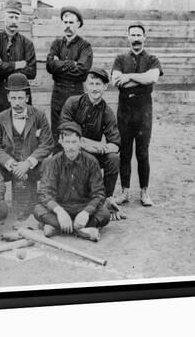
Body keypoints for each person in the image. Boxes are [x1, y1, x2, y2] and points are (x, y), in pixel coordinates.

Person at [59, 67, 125, 220]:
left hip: (92, 155)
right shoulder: (73, 103)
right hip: (70, 151)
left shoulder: (107, 112)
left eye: (98, 84)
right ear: (86, 85)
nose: (94, 88)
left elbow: (115, 144)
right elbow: (65, 133)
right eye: (91, 84)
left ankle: (107, 198)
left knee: (113, 158)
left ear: (105, 87)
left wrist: (96, 148)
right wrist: (88, 143)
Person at [0, 73, 54, 216]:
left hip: (32, 165)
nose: (17, 103)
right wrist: (11, 163)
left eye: (21, 98)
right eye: (13, 98)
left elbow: (47, 144)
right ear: (8, 98)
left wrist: (28, 163)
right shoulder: (0, 118)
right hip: (9, 167)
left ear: (27, 98)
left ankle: (46, 205)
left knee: (51, 164)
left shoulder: (39, 115)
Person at [111, 22, 163, 207]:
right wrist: (141, 80)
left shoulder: (152, 59)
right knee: (124, 151)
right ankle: (124, 192)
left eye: (138, 35)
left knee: (142, 152)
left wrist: (129, 77)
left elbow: (153, 77)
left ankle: (144, 192)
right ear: (128, 38)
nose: (135, 38)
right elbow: (116, 80)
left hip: (144, 111)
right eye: (132, 35)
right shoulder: (119, 59)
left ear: (144, 37)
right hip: (124, 111)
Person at [33, 122, 110, 242]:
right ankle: (82, 231)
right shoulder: (53, 162)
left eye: (74, 142)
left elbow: (99, 194)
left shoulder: (91, 162)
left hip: (83, 207)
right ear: (61, 142)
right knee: (38, 210)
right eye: (67, 142)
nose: (71, 147)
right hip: (61, 207)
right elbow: (45, 193)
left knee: (104, 214)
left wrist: (86, 212)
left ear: (80, 142)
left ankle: (56, 228)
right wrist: (59, 212)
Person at [46, 6, 93, 145]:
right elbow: (49, 66)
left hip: (76, 95)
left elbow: (82, 69)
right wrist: (71, 64)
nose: (67, 26)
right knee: (57, 136)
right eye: (65, 22)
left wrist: (59, 64)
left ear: (78, 24)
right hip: (57, 94)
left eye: (71, 23)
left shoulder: (85, 46)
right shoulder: (56, 44)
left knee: (75, 134)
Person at [0, 0, 37, 118]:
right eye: (11, 17)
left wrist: (3, 65)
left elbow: (31, 72)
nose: (14, 21)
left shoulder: (27, 44)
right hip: (1, 94)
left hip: (22, 94)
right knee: (0, 130)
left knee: (22, 130)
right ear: (4, 17)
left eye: (17, 17)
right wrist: (17, 65)